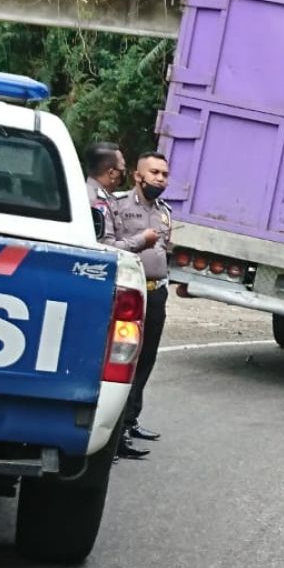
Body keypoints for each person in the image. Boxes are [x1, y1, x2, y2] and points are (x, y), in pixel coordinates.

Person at [109, 152, 172, 459]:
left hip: (156, 293)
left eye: (164, 174)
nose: (160, 179)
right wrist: (139, 241)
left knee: (146, 359)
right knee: (124, 358)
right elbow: (107, 246)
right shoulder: (118, 205)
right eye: (155, 173)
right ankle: (114, 432)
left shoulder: (165, 212)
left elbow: (165, 248)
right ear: (138, 176)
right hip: (128, 293)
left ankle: (130, 421)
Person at [83, 142, 127, 236]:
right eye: (123, 168)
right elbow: (107, 245)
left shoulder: (82, 191)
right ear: (111, 173)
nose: (124, 172)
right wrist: (142, 240)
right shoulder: (97, 200)